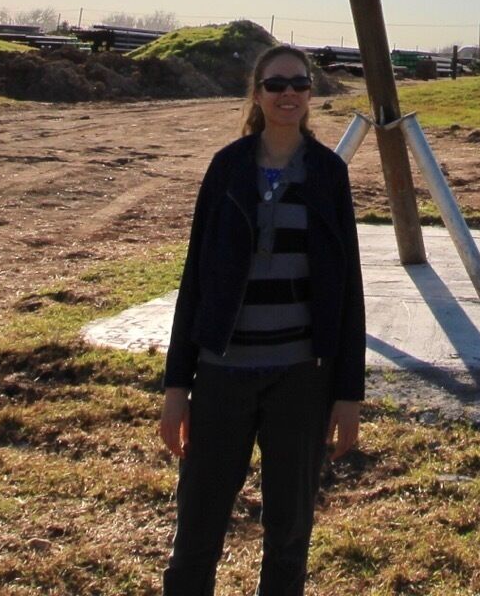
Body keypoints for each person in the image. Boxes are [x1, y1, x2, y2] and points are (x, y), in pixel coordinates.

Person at [158, 45, 364, 596]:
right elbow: (195, 281)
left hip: (300, 377)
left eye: (299, 83)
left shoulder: (327, 173)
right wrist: (177, 387)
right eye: (275, 85)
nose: (288, 93)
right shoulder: (228, 167)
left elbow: (348, 291)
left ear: (311, 93)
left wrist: (348, 393)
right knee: (198, 526)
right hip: (223, 374)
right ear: (257, 93)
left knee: (289, 531)